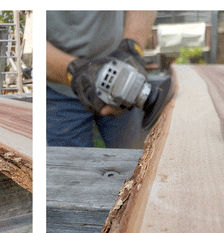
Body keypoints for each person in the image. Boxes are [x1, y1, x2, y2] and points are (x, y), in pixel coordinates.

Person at [46, 11, 157, 148]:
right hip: (59, 91)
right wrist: (77, 74)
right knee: (71, 164)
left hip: (120, 64)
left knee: (132, 159)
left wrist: (132, 48)